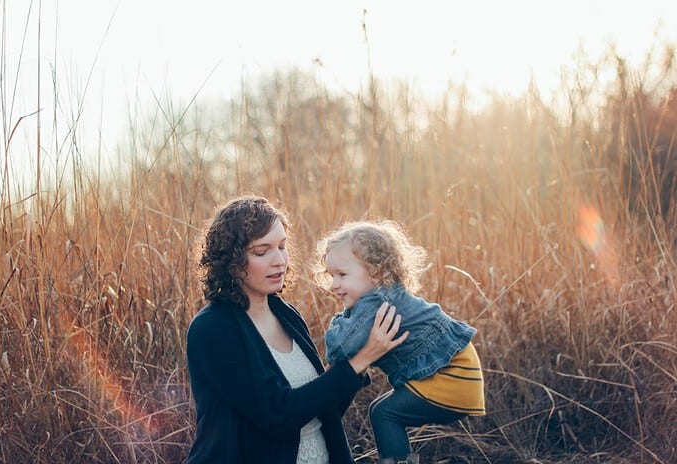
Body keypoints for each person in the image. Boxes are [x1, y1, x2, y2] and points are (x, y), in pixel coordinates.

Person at [185, 195, 408, 464]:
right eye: (261, 251)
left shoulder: (286, 314)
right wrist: (360, 360)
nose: (279, 260)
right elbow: (277, 415)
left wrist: (361, 358)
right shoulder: (212, 329)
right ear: (230, 261)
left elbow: (322, 410)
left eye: (282, 246)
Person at [315, 220, 486, 464]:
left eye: (342, 275)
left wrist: (341, 319)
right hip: (460, 371)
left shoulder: (373, 303)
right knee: (379, 410)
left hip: (451, 376)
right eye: (331, 275)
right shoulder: (386, 295)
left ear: (376, 272)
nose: (334, 284)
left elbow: (339, 348)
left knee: (385, 414)